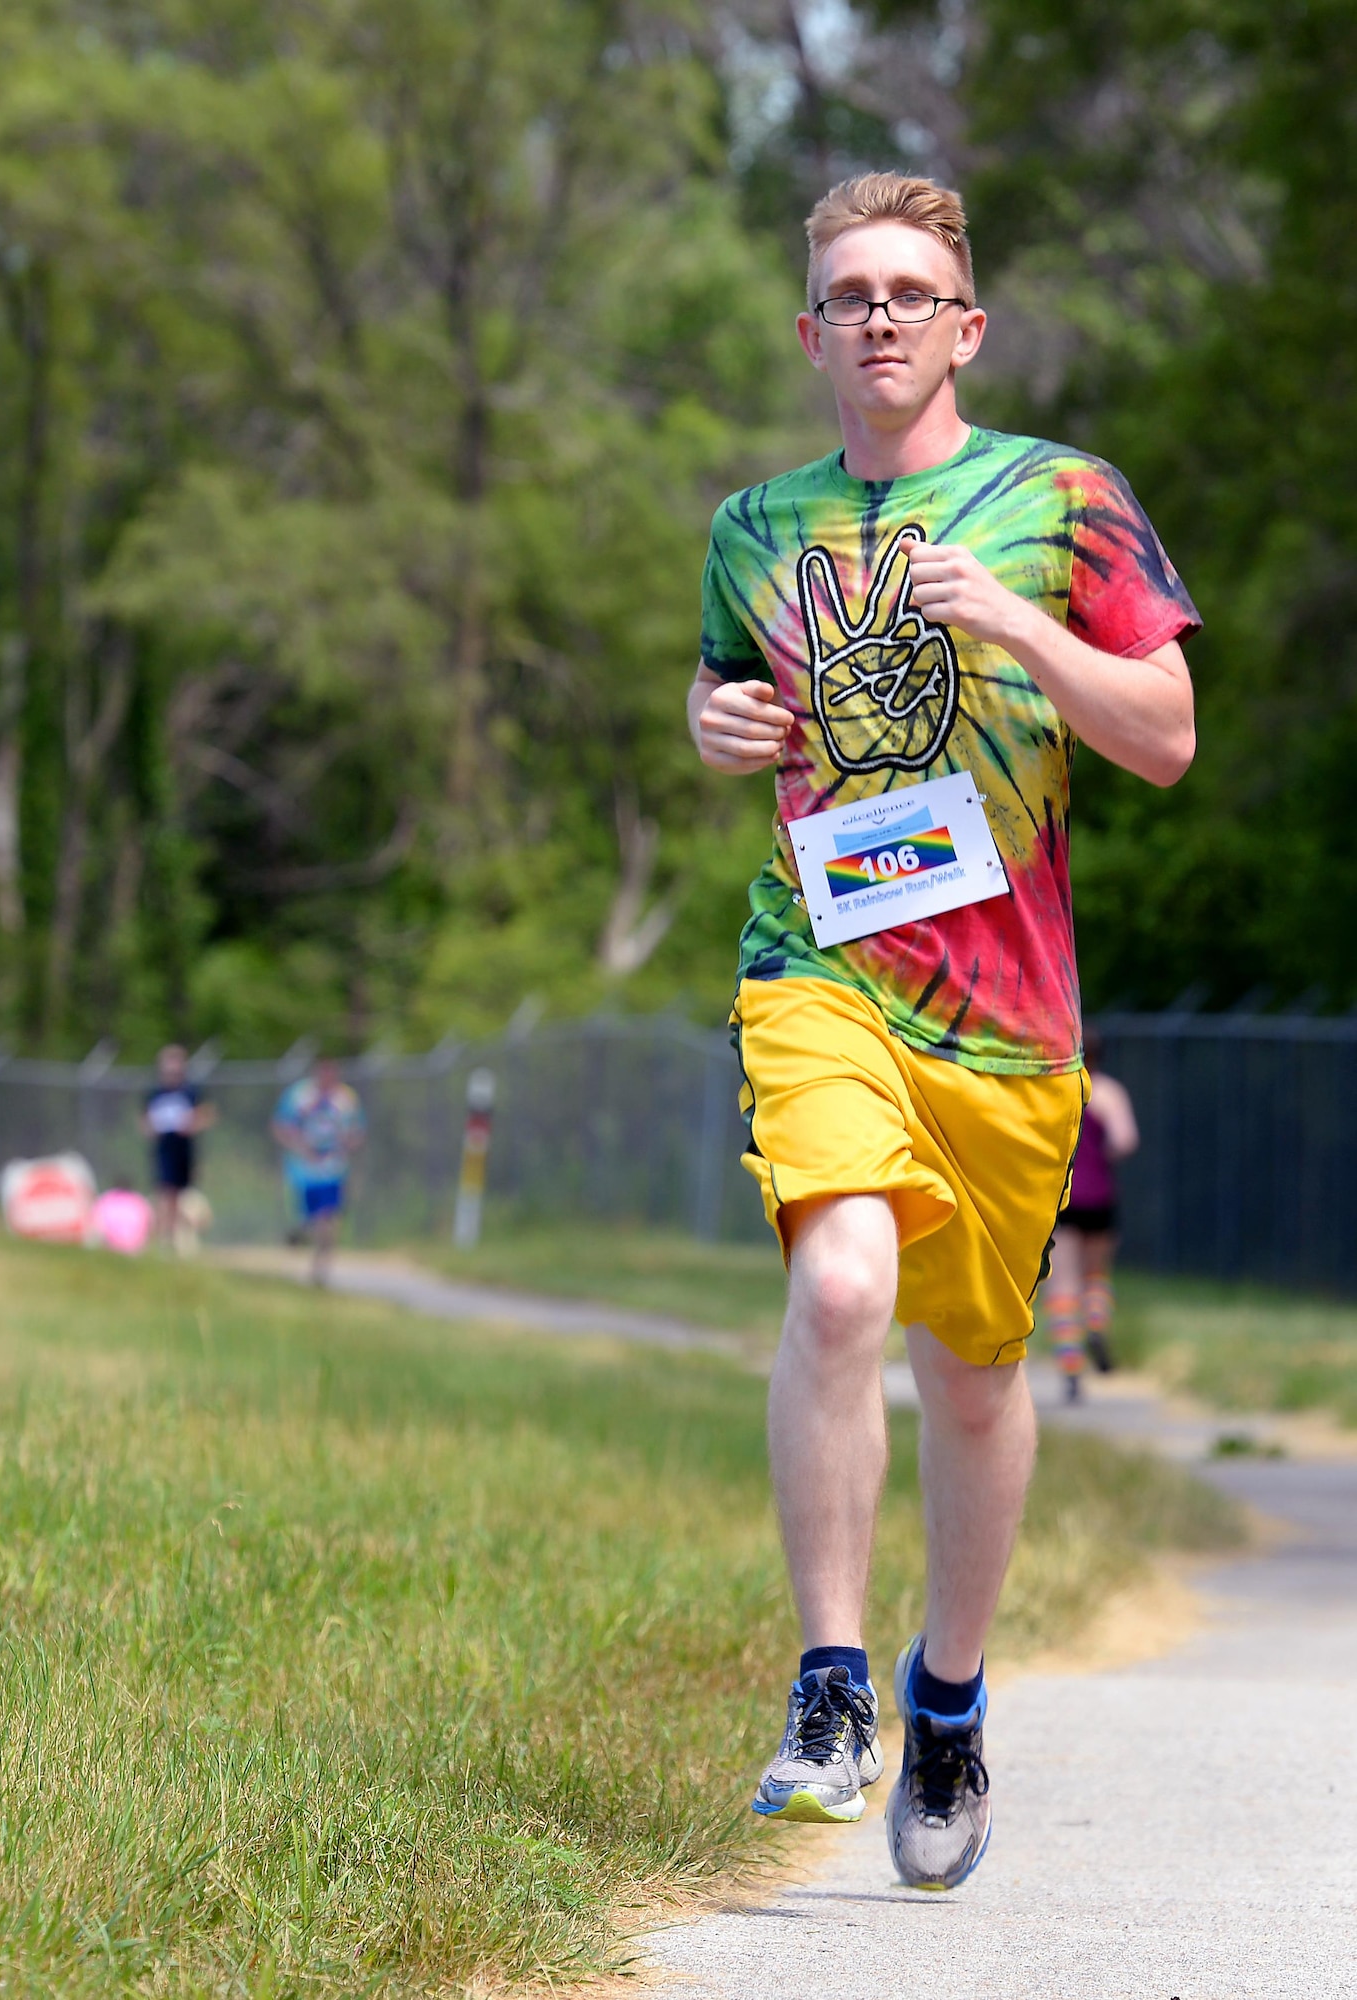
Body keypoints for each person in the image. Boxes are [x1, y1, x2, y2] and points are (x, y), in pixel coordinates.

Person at [688, 172, 1198, 1890]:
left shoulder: (1063, 502)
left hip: (1002, 1023)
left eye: (911, 289)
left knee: (974, 1389)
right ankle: (830, 1688)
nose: (881, 314)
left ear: (962, 327)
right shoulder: (753, 530)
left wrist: (1010, 622)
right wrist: (713, 719)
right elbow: (729, 710)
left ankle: (949, 1699)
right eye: (848, 292)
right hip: (818, 970)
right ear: (812, 332)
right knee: (837, 1287)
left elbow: (1162, 738)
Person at [1043, 1025, 1140, 1398]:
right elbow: (1125, 1141)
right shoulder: (1110, 1093)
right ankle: (1096, 1324)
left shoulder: (1057, 1091)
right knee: (1095, 1274)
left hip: (1063, 1198)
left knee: (1063, 1283)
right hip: (1100, 1196)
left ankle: (1070, 1367)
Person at [271, 1057, 366, 1285]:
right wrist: (299, 1147)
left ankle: (320, 1269)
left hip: (333, 1169)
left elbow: (358, 1131)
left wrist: (347, 1145)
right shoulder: (299, 1095)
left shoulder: (346, 1098)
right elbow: (280, 1126)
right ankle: (302, 1234)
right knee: (310, 1218)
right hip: (303, 1170)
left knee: (328, 1217)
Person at [140, 1044, 217, 1250]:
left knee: (183, 1195)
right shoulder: (155, 1094)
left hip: (184, 1149)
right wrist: (150, 1129)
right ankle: (167, 1238)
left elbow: (206, 1114)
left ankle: (180, 1233)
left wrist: (192, 1124)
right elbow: (145, 1120)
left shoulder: (190, 1092)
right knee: (166, 1193)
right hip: (164, 1149)